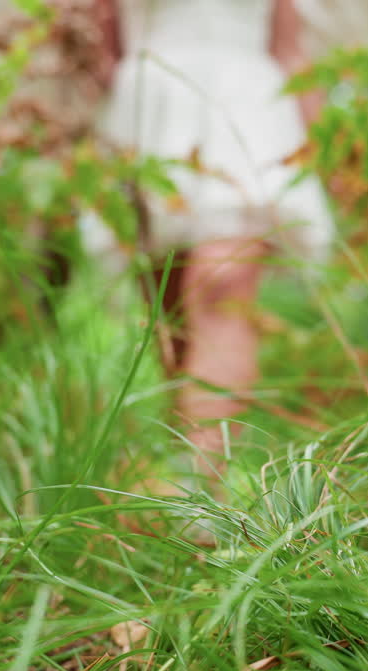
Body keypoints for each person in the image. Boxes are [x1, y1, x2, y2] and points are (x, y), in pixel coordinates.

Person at [82, 0, 336, 474]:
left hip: (248, 106)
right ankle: (182, 472)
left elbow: (290, 48)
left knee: (223, 285)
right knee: (170, 316)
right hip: (149, 108)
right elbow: (99, 45)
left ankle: (199, 498)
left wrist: (323, 146)